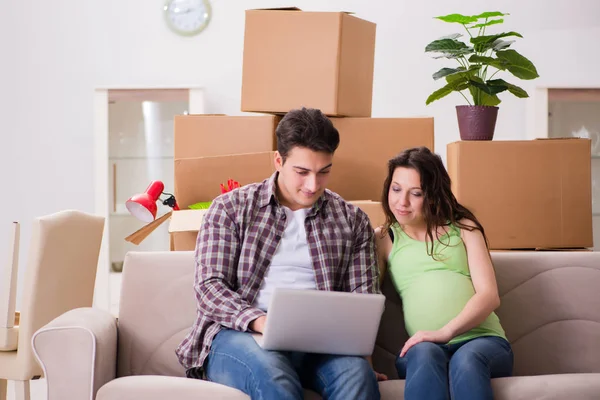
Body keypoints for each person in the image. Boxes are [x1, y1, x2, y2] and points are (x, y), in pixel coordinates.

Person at [176, 107, 384, 400]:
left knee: (357, 376)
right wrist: (261, 322)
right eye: (302, 172)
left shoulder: (353, 221)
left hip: (320, 345)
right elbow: (210, 287)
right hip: (240, 336)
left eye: (324, 172)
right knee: (272, 372)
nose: (313, 185)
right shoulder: (230, 209)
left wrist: (362, 361)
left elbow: (364, 301)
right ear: (278, 160)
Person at [375, 146, 513, 400]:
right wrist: (364, 359)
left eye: (415, 193)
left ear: (432, 195)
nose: (401, 202)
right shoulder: (384, 238)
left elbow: (489, 295)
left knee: (467, 360)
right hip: (423, 348)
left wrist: (445, 332)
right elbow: (368, 299)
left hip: (483, 341)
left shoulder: (464, 227)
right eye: (396, 189)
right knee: (425, 354)